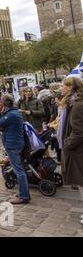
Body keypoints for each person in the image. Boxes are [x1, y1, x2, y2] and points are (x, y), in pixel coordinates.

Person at [0, 94, 30, 204]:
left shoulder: (10, 115)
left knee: (19, 170)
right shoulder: (13, 113)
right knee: (21, 170)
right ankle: (24, 193)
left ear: (4, 104)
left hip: (13, 145)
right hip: (16, 143)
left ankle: (24, 196)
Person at [57, 77, 83, 223]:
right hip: (77, 150)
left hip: (78, 151)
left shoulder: (77, 105)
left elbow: (79, 132)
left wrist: (67, 144)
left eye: (63, 85)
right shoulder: (73, 103)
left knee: (81, 183)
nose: (61, 88)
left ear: (70, 87)